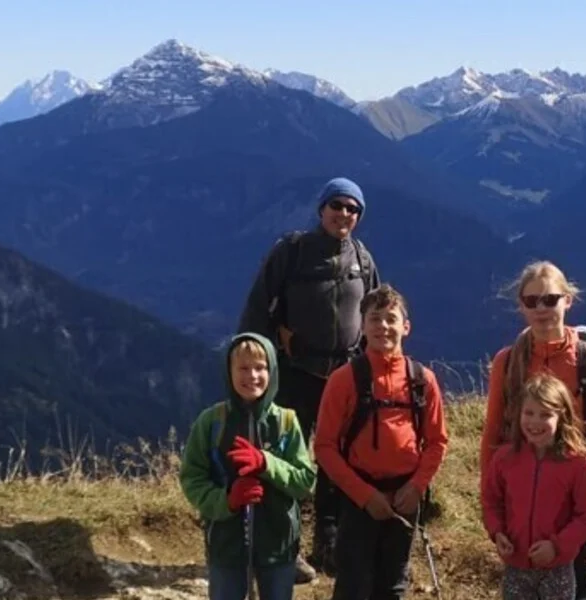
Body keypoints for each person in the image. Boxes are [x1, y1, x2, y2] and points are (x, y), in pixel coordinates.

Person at [237, 176, 379, 581]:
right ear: (322, 209)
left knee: (336, 462)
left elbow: (374, 311)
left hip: (344, 377)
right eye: (337, 205)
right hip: (296, 374)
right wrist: (251, 365)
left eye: (353, 209)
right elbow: (258, 307)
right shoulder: (292, 252)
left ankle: (329, 547)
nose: (344, 214)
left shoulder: (362, 258)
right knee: (289, 461)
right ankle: (285, 547)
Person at [479, 260, 586, 599]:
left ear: (568, 300)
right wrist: (491, 505)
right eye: (531, 301)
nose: (541, 308)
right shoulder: (506, 362)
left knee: (581, 585)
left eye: (550, 299)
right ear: (521, 306)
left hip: (576, 494)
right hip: (519, 491)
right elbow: (492, 433)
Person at [313, 285, 449, 600]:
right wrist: (363, 495)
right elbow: (324, 446)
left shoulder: (422, 380)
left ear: (406, 327)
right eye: (375, 319)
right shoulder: (344, 380)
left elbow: (437, 441)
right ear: (362, 326)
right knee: (353, 587)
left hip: (404, 499)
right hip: (358, 501)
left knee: (393, 586)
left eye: (391, 319)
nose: (383, 326)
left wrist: (416, 487)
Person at [181, 333, 319, 600]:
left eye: (260, 367)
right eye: (243, 368)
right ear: (229, 372)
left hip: (278, 544)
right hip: (226, 544)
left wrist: (267, 463)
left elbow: (305, 481)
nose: (252, 376)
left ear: (272, 372)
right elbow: (192, 479)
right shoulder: (211, 423)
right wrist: (226, 501)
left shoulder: (286, 422)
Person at [480, 373, 586, 600]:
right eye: (529, 413)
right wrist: (497, 532)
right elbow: (491, 501)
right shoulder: (504, 459)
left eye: (545, 415)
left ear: (561, 417)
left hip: (557, 569)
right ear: (519, 414)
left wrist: (556, 546)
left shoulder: (575, 464)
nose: (535, 422)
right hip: (516, 566)